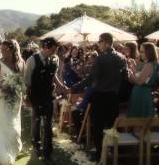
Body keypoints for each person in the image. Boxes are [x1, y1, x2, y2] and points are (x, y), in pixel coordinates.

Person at [70, 33, 128, 162]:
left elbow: (91, 78)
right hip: (114, 97)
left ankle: (100, 154)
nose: (98, 44)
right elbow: (126, 77)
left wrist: (74, 87)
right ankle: (113, 151)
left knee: (98, 127)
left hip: (100, 97)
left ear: (107, 42)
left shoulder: (100, 59)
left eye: (100, 41)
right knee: (111, 127)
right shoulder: (122, 57)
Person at [24, 37, 67, 165]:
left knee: (48, 124)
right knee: (36, 122)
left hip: (49, 95)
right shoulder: (32, 60)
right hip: (35, 96)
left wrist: (61, 86)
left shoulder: (55, 59)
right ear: (45, 47)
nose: (54, 53)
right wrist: (26, 97)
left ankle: (48, 153)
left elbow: (54, 76)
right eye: (53, 50)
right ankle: (36, 144)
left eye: (56, 50)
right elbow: (27, 81)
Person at [127, 42, 159, 117]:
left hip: (142, 94)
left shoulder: (149, 65)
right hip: (144, 93)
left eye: (142, 52)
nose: (140, 54)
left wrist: (130, 73)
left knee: (140, 119)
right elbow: (143, 77)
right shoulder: (153, 64)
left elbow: (139, 81)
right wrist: (134, 69)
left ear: (148, 52)